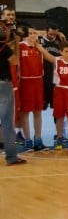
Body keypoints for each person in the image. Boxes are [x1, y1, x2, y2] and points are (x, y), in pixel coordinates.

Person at [0, 22, 25, 164]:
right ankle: (11, 157)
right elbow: (14, 61)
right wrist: (16, 43)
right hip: (3, 85)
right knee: (7, 123)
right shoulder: (4, 48)